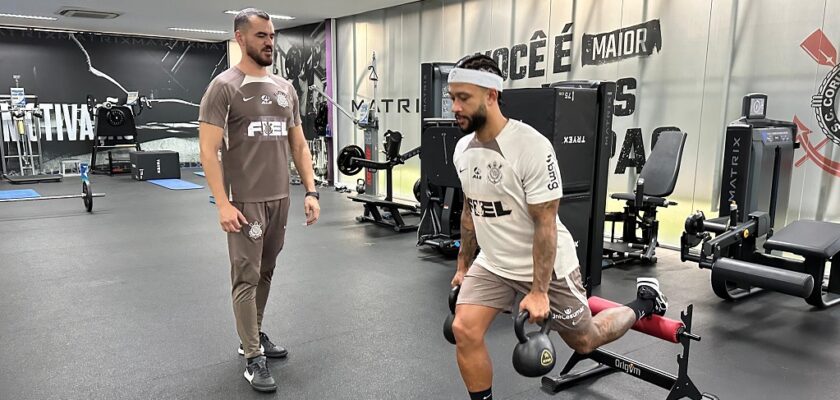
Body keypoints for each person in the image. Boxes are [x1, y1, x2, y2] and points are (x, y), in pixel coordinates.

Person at [448, 54, 668, 400]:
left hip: (548, 269)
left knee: (585, 340)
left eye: (463, 98)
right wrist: (463, 266)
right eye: (452, 98)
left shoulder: (530, 146)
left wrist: (538, 291)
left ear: (491, 95)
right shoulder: (463, 149)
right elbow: (470, 210)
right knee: (464, 329)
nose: (454, 107)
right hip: (494, 263)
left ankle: (643, 305)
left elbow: (545, 225)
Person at [198, 8, 321, 393]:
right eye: (261, 36)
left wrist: (312, 190)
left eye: (272, 36)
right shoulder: (223, 87)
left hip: (280, 197)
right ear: (240, 38)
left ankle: (252, 334)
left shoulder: (285, 89)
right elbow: (208, 150)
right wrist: (222, 202)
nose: (269, 42)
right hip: (245, 201)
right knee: (246, 278)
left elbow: (298, 143)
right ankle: (253, 357)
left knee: (266, 271)